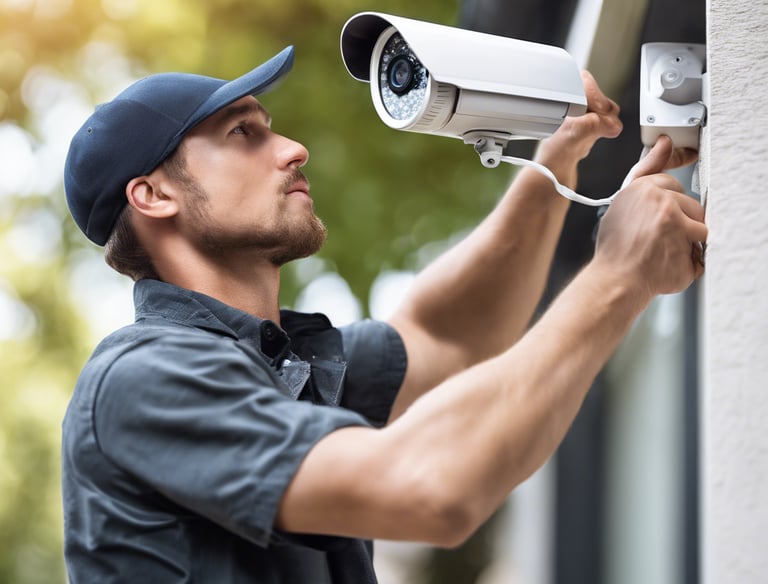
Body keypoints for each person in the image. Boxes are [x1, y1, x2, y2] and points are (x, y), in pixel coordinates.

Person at [61, 44, 706, 583]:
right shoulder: (146, 379)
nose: (292, 149)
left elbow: (449, 333)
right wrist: (619, 276)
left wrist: (556, 163)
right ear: (154, 195)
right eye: (243, 132)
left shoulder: (284, 363)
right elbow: (430, 487)